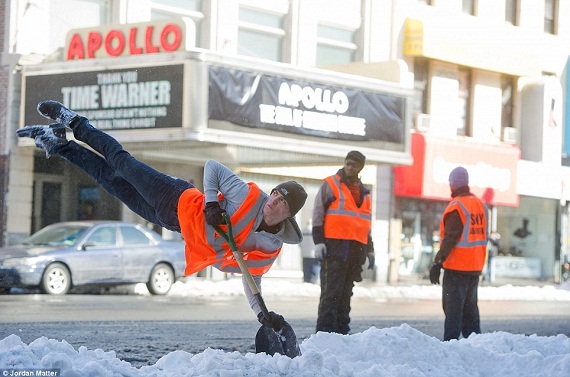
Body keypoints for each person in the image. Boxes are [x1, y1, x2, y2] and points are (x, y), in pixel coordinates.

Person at [17, 100, 308, 331]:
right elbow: (213, 167)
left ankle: (59, 144)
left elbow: (251, 279)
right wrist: (210, 203)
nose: (274, 201)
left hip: (169, 221)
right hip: (174, 195)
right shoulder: (249, 196)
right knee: (120, 162)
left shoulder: (269, 248)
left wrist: (262, 314)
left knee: (109, 181)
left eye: (282, 202)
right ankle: (74, 122)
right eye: (275, 194)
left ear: (289, 215)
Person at [312, 151, 374, 334]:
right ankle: (324, 333)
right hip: (334, 248)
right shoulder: (330, 184)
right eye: (348, 163)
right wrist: (318, 241)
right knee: (331, 294)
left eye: (354, 165)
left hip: (356, 250)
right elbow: (317, 213)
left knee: (346, 294)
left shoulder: (365, 192)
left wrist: (370, 250)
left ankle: (341, 333)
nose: (350, 167)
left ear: (360, 168)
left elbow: (365, 224)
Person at [429, 166, 488, 341]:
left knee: (453, 312)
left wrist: (437, 262)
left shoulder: (457, 206)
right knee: (470, 312)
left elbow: (450, 238)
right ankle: (476, 346)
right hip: (474, 267)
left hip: (456, 268)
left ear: (453, 184)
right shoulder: (480, 204)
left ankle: (450, 347)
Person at [299, 219, 319, 284]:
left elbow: (300, 243)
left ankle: (306, 279)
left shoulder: (303, 231)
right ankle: (313, 280)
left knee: (306, 268)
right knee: (314, 267)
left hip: (305, 253)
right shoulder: (314, 231)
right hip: (313, 253)